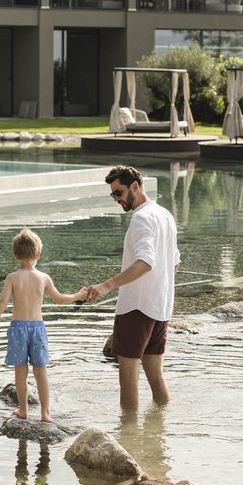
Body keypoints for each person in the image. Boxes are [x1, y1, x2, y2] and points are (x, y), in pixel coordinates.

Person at [85, 165, 180, 410]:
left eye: (118, 192)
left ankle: (128, 438)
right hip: (160, 307)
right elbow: (174, 263)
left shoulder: (141, 218)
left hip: (136, 309)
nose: (116, 199)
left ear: (135, 186)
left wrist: (107, 286)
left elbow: (146, 262)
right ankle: (159, 433)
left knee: (128, 381)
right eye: (112, 195)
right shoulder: (165, 215)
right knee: (156, 377)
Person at [0, 228, 87, 423]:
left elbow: (2, 303)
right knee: (41, 370)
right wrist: (78, 296)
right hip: (37, 328)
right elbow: (60, 299)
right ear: (38, 254)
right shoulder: (43, 278)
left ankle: (23, 410)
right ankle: (46, 413)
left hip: (18, 329)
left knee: (20, 371)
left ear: (15, 255)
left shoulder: (12, 278)